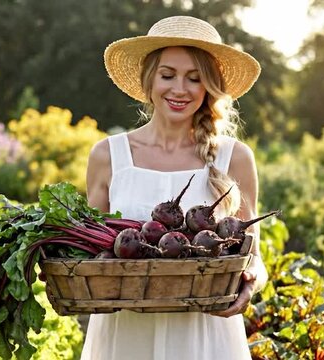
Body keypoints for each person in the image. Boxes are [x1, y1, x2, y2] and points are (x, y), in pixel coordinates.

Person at [82, 15, 268, 360]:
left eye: (194, 78)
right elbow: (92, 253)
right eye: (168, 75)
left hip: (206, 331)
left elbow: (253, 255)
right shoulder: (109, 155)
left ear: (208, 87)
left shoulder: (234, 158)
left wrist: (251, 283)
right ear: (148, 80)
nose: (179, 89)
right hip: (126, 332)